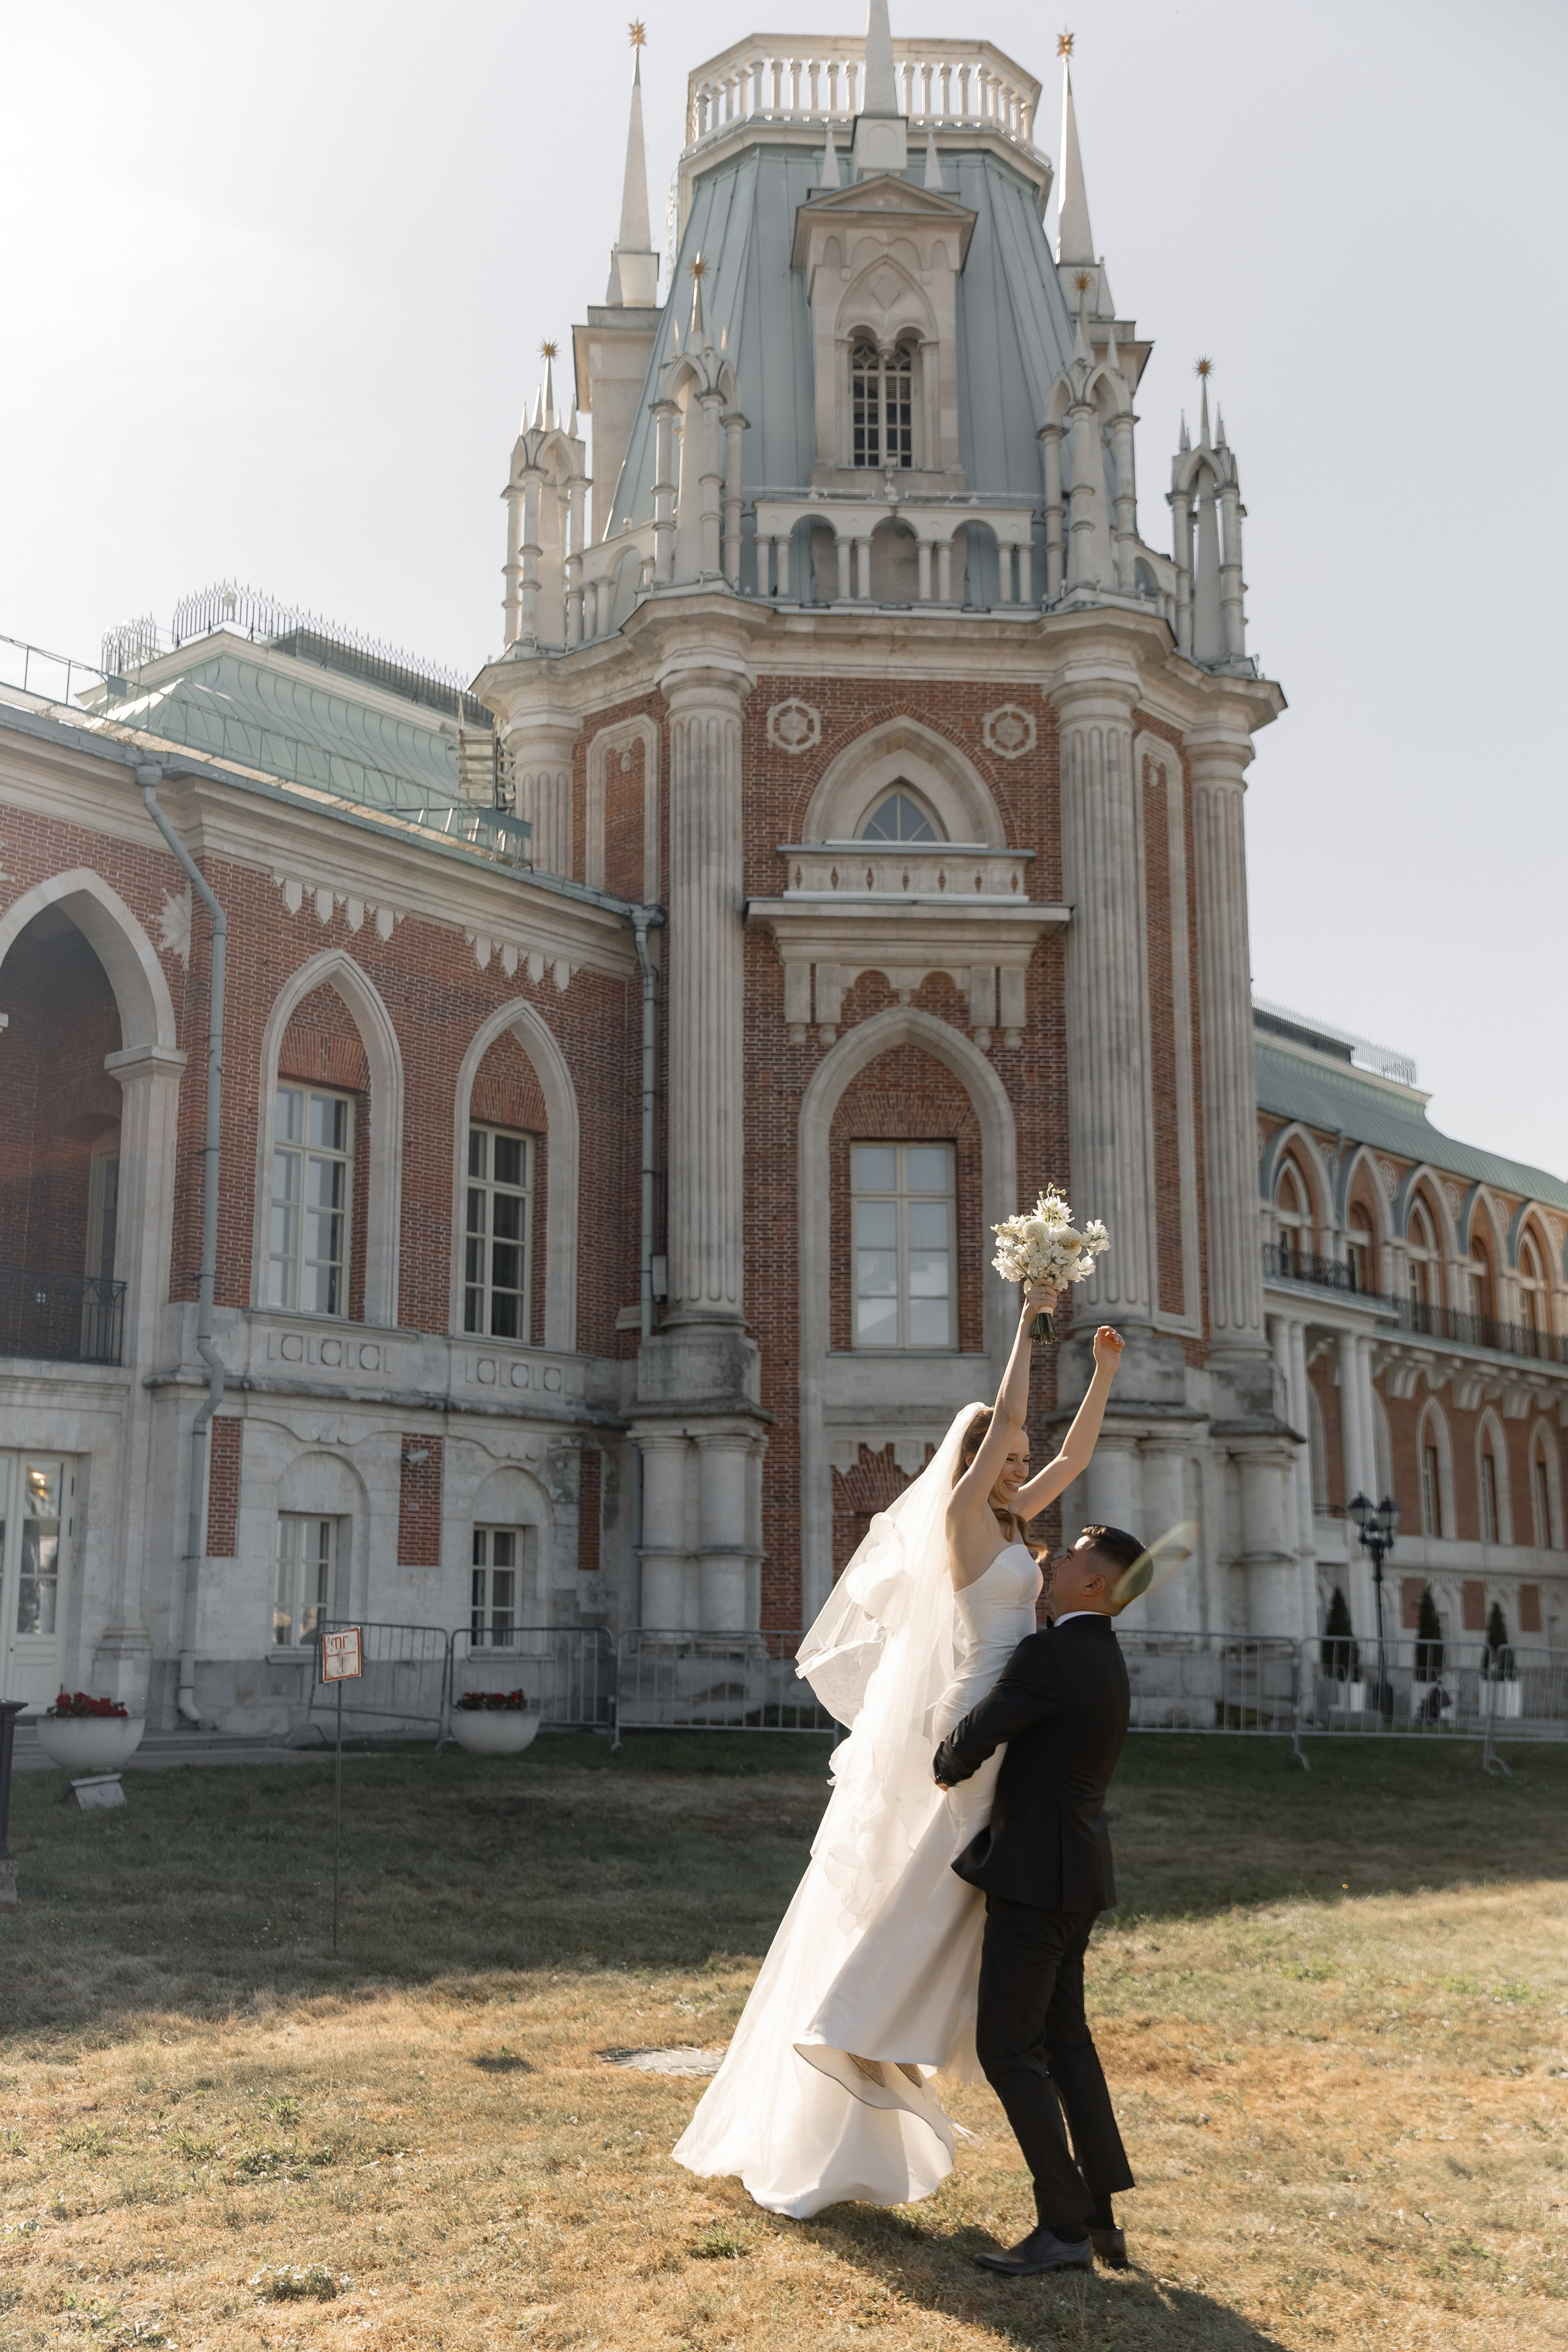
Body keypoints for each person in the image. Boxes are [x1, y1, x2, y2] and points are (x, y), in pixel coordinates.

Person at [671, 1279, 1125, 2217]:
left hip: (1012, 1711)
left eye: (1022, 1461)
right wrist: (1029, 1326)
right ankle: (860, 2020)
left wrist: (1106, 1371)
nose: (1021, 1464)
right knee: (948, 1875)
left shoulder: (1018, 1524)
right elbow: (1005, 1415)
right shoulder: (965, 1520)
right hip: (976, 1713)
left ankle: (890, 2019)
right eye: (1006, 1456)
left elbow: (1075, 1450)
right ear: (972, 1461)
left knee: (962, 1885)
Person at [932, 1520, 1147, 2275]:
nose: (1054, 1563)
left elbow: (985, 1728)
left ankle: (1060, 2225)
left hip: (1033, 1876)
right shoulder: (1105, 1657)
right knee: (1066, 2044)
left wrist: (945, 1761)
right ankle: (1099, 2220)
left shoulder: (1050, 1653)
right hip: (1078, 1873)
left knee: (1008, 2048)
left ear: (1095, 1584)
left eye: (1073, 1559)